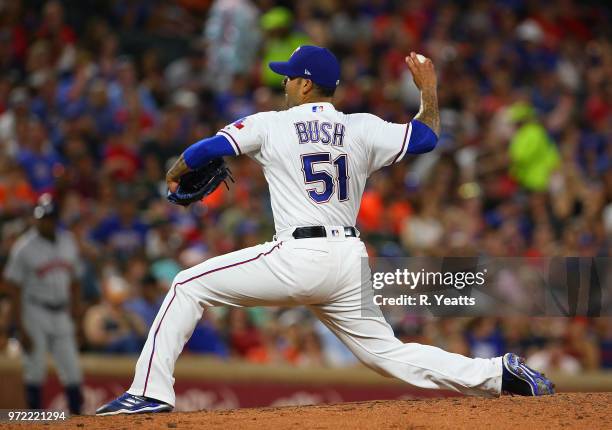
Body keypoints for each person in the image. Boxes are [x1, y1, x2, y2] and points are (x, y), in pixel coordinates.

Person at [96, 46, 554, 415]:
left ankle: (150, 391)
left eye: (290, 76)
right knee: (386, 354)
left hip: (298, 256)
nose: (284, 82)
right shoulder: (361, 128)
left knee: (186, 284)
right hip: (347, 261)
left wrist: (175, 173)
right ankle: (498, 373)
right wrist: (428, 90)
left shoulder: (271, 124)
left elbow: (205, 149)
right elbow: (428, 136)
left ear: (306, 83)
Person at [3, 194, 83, 413]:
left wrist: (77, 310)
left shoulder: (68, 241)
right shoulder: (24, 247)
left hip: (61, 311)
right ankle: (34, 421)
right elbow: (13, 288)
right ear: (36, 218)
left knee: (72, 369)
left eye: (49, 218)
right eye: (42, 218)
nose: (45, 222)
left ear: (56, 219)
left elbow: (76, 280)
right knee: (35, 369)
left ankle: (78, 421)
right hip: (34, 310)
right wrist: (19, 326)